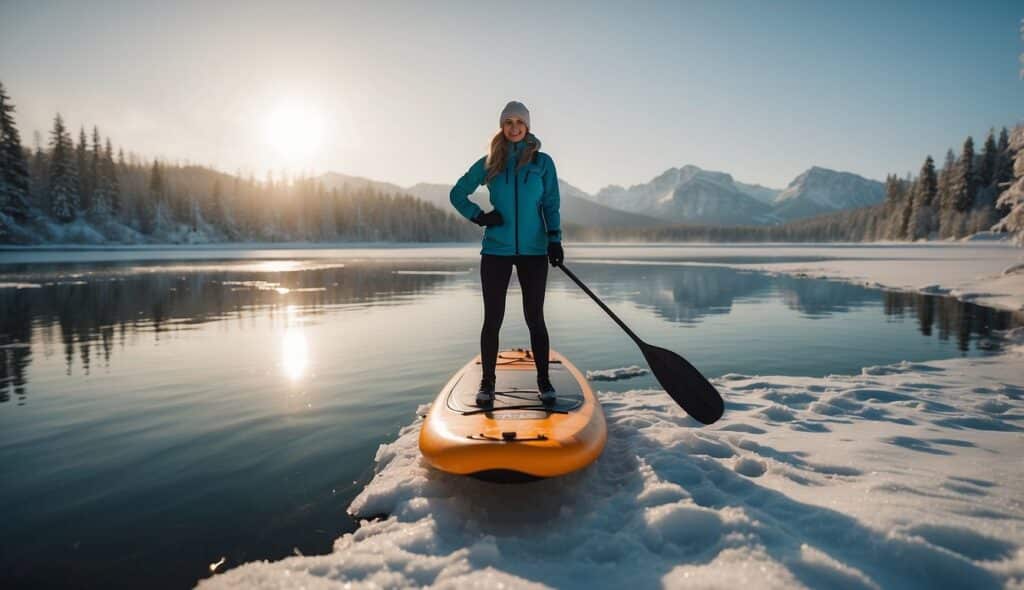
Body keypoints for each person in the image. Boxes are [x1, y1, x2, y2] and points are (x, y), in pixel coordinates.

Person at [449, 100, 564, 408]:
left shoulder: (542, 162)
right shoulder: (490, 162)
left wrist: (554, 239)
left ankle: (544, 381)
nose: (514, 127)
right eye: (508, 122)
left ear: (527, 126)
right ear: (502, 126)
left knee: (535, 318)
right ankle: (487, 384)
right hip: (496, 251)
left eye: (519, 122)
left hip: (534, 251)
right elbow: (457, 193)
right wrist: (480, 216)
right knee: (493, 319)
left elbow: (551, 204)